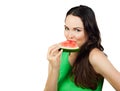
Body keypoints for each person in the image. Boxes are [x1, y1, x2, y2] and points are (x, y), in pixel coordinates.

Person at [44, 5, 120, 91]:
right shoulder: (58, 54)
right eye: (67, 28)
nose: (69, 35)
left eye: (77, 30)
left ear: (89, 31)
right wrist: (54, 68)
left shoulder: (95, 56)